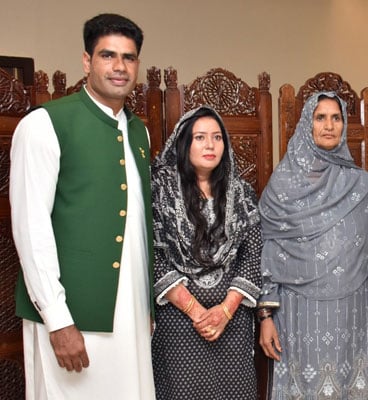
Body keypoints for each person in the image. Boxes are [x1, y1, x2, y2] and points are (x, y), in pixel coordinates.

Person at [10, 13, 155, 399]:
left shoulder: (138, 130)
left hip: (131, 315)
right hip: (71, 317)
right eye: (108, 55)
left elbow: (139, 227)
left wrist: (147, 312)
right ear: (87, 61)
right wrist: (58, 320)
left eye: (129, 57)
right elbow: (31, 227)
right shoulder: (44, 124)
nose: (120, 67)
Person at [257, 91, 368, 399]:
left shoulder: (362, 185)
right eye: (320, 117)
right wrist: (265, 317)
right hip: (298, 313)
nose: (329, 125)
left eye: (336, 117)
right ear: (306, 124)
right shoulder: (283, 185)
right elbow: (267, 251)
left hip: (351, 313)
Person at [150, 106, 262, 399]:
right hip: (179, 322)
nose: (210, 145)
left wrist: (225, 311)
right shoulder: (160, 191)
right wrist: (197, 312)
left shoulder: (242, 193)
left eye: (217, 137)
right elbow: (155, 258)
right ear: (184, 144)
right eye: (200, 137)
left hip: (232, 321)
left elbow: (252, 254)